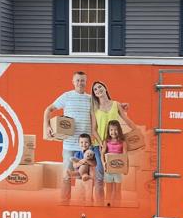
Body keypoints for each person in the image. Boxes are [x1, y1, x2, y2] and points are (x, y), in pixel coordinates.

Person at [43, 70, 103, 204]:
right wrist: (47, 126)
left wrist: (121, 107)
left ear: (86, 82)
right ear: (73, 82)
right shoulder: (67, 96)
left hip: (87, 147)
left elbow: (104, 108)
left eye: (82, 80)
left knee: (86, 177)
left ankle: (86, 205)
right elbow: (48, 109)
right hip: (69, 145)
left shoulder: (90, 99)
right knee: (66, 176)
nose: (80, 83)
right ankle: (64, 203)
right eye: (77, 80)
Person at [90, 81, 137, 149]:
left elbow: (127, 121)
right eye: (95, 89)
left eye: (100, 87)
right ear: (94, 94)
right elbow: (94, 130)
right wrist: (101, 143)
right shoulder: (94, 109)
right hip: (100, 144)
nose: (98, 89)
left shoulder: (116, 104)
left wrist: (136, 131)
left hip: (115, 143)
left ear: (105, 88)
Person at [101, 120, 126, 206]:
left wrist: (126, 168)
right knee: (108, 190)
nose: (113, 132)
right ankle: (108, 206)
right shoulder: (106, 141)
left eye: (115, 129)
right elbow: (102, 154)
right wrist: (104, 163)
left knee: (118, 190)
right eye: (111, 130)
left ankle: (117, 206)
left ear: (119, 130)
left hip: (118, 170)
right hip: (108, 170)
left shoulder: (123, 142)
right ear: (108, 131)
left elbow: (125, 156)